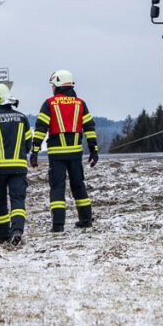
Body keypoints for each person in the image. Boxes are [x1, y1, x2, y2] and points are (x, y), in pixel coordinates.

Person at [30, 70, 99, 231]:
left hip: (56, 155)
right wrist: (93, 150)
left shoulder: (49, 103)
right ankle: (86, 220)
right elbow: (89, 128)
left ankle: (58, 225)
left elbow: (40, 129)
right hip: (75, 154)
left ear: (59, 85)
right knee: (78, 186)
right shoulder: (80, 104)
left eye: (53, 85)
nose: (52, 88)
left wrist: (34, 151)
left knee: (57, 188)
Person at [0, 83, 32, 245]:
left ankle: (3, 236)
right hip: (19, 168)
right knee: (18, 200)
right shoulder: (22, 118)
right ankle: (16, 231)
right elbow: (27, 145)